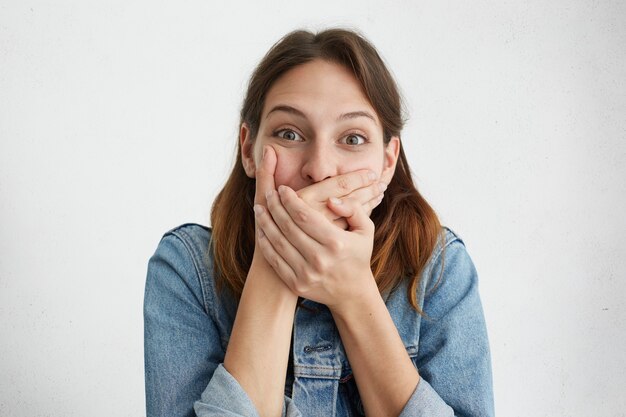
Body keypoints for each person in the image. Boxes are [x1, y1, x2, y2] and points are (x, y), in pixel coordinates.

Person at [144, 28, 494, 417]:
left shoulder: (441, 268)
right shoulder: (185, 269)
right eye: (290, 134)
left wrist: (354, 295)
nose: (321, 169)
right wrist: (275, 266)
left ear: (387, 162)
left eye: (354, 138)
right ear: (249, 149)